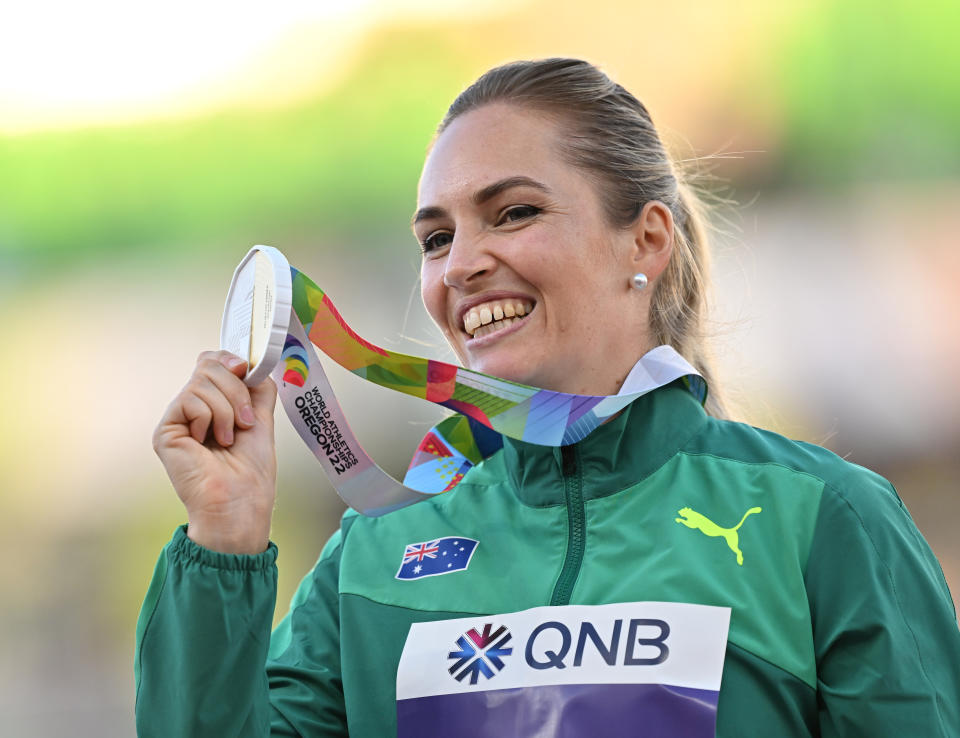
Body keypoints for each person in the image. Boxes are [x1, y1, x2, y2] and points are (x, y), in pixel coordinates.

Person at [135, 58, 960, 736]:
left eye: (513, 212)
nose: (461, 265)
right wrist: (224, 538)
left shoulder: (821, 519)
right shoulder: (375, 557)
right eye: (436, 238)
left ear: (645, 240)